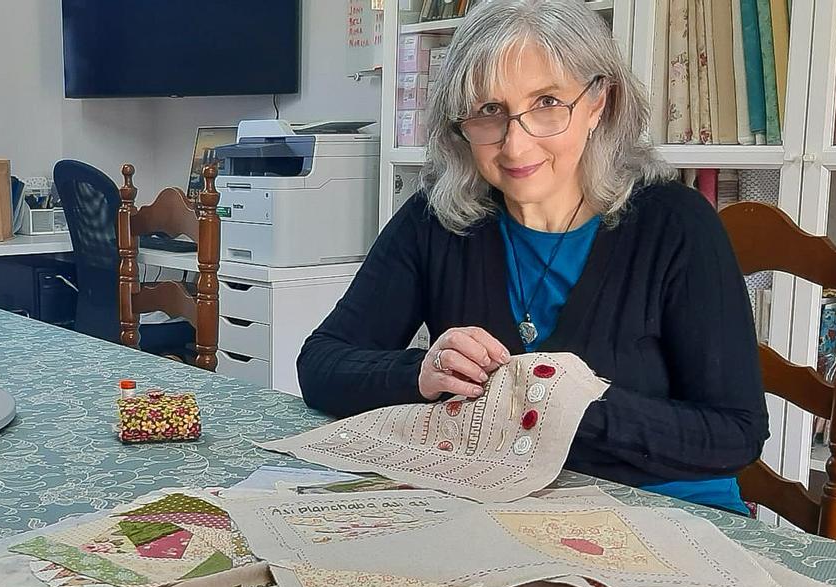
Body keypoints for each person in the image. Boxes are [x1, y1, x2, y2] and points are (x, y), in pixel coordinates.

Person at [296, 0, 768, 515]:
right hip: (489, 502)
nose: (516, 145)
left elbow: (734, 433)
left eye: (546, 102)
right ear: (460, 125)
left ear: (598, 104)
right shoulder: (438, 217)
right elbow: (321, 364)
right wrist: (422, 373)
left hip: (659, 506)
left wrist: (563, 406)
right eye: (489, 111)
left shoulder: (676, 224)